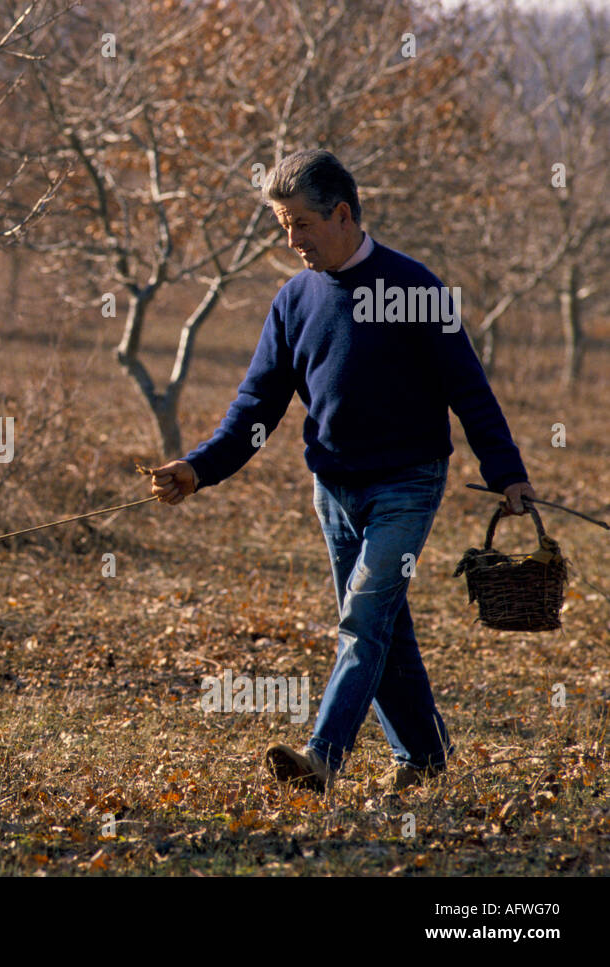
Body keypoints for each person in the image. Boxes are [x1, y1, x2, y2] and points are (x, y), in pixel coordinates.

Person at [149, 149, 538, 794]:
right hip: (332, 487)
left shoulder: (415, 289)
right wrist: (200, 468)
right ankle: (427, 755)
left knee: (362, 618)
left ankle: (322, 758)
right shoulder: (294, 299)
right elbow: (257, 404)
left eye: (301, 224)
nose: (292, 240)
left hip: (408, 483)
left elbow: (469, 389)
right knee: (382, 621)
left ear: (342, 213)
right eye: (283, 226)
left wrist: (507, 472)